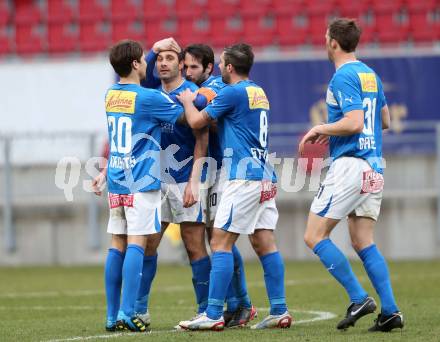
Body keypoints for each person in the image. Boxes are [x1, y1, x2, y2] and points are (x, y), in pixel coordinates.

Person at [177, 43, 292, 331]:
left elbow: (195, 119)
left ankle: (213, 312)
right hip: (265, 174)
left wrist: (188, 99)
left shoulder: (231, 92)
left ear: (229, 67)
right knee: (263, 241)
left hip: (243, 176)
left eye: (221, 65)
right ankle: (279, 310)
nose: (219, 69)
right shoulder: (258, 91)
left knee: (219, 242)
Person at [299, 18, 404, 332]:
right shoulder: (370, 74)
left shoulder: (343, 76)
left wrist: (321, 128)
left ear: (333, 42)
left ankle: (359, 297)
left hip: (351, 164)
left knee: (314, 235)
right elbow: (383, 120)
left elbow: (355, 122)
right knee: (363, 241)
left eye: (324, 36)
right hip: (374, 165)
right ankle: (391, 312)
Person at [94, 39, 184, 332]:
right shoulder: (149, 98)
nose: (150, 63)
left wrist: (155, 48)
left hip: (117, 181)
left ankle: (111, 316)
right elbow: (186, 113)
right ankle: (127, 312)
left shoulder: (111, 95)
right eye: (144, 60)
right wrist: (202, 95)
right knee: (138, 243)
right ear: (134, 64)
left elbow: (132, 69)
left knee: (116, 243)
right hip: (141, 182)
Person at [133, 39, 211, 325]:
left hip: (185, 180)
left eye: (170, 58)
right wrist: (153, 49)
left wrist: (194, 181)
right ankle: (139, 309)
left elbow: (202, 136)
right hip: (156, 181)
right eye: (160, 59)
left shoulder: (191, 94)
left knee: (194, 245)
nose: (163, 62)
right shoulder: (151, 94)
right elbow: (134, 69)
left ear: (181, 65)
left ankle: (205, 309)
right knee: (149, 244)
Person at [183, 43, 256, 328]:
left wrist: (186, 97)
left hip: (227, 171)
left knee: (220, 239)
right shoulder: (210, 86)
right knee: (219, 238)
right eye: (185, 67)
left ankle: (240, 303)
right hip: (214, 173)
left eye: (193, 67)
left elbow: (201, 105)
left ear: (210, 68)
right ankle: (238, 304)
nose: (188, 73)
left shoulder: (216, 86)